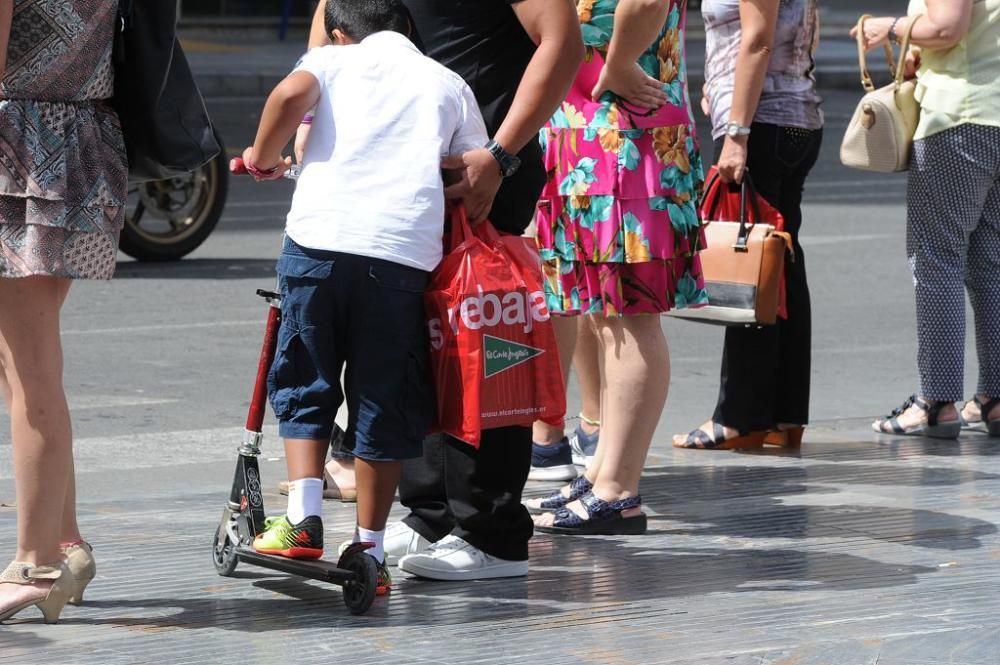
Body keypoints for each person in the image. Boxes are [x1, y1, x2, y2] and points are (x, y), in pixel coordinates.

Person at [304, 0, 583, 580]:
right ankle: (431, 512)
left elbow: (561, 43)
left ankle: (493, 531)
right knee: (413, 339)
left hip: (477, 168)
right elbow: (332, 20)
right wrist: (312, 121)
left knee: (483, 341)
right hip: (396, 166)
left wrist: (499, 156)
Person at [242, 0, 490, 596]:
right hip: (401, 257)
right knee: (385, 393)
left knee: (305, 372)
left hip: (318, 244)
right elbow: (469, 168)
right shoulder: (447, 81)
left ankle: (302, 520)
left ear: (339, 32)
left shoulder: (330, 62)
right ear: (407, 30)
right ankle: (371, 549)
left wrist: (262, 157)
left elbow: (285, 97)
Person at [530, 0, 708, 535]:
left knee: (629, 316)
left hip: (624, 136)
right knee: (605, 314)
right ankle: (605, 470)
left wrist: (621, 62)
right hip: (592, 135)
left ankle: (618, 489)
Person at [0, 0, 124, 623]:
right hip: (82, 146)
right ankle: (64, 543)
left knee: (28, 373)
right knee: (26, 363)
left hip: (20, 158)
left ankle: (34, 562)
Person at [672, 0, 824, 450]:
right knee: (781, 264)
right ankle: (783, 414)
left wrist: (736, 132)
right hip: (788, 113)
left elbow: (757, 41)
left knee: (752, 265)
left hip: (762, 121)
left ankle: (739, 416)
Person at [858, 1, 1000, 438]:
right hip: (993, 113)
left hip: (957, 117)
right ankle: (995, 397)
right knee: (991, 264)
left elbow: (946, 28)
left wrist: (891, 27)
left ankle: (936, 401)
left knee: (937, 260)